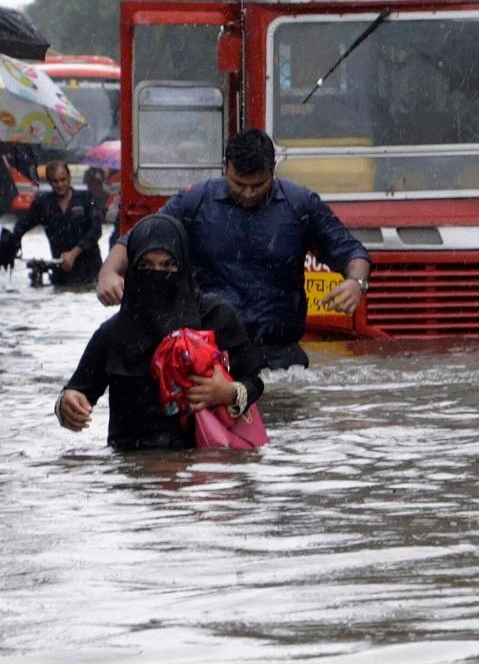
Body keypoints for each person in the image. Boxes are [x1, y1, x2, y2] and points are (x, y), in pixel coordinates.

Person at [97, 129, 371, 369]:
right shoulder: (196, 201)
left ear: (273, 171)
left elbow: (352, 252)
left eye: (258, 185)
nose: (249, 193)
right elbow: (139, 238)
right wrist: (109, 272)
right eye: (240, 184)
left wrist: (356, 282)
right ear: (225, 167)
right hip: (210, 352)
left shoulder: (299, 204)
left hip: (280, 354)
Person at [56, 215, 266, 450]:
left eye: (168, 265)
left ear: (183, 266)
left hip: (202, 467)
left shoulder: (216, 317)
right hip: (132, 468)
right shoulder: (114, 333)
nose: (157, 274)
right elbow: (76, 392)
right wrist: (67, 406)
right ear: (132, 270)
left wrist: (228, 393)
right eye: (145, 266)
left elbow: (254, 382)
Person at [0, 160, 103, 285]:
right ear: (49, 182)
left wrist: (73, 253)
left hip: (90, 271)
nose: (60, 185)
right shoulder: (43, 203)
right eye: (55, 181)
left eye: (63, 180)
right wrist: (9, 243)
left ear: (69, 178)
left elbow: (96, 231)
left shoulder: (86, 199)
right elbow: (22, 226)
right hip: (61, 273)